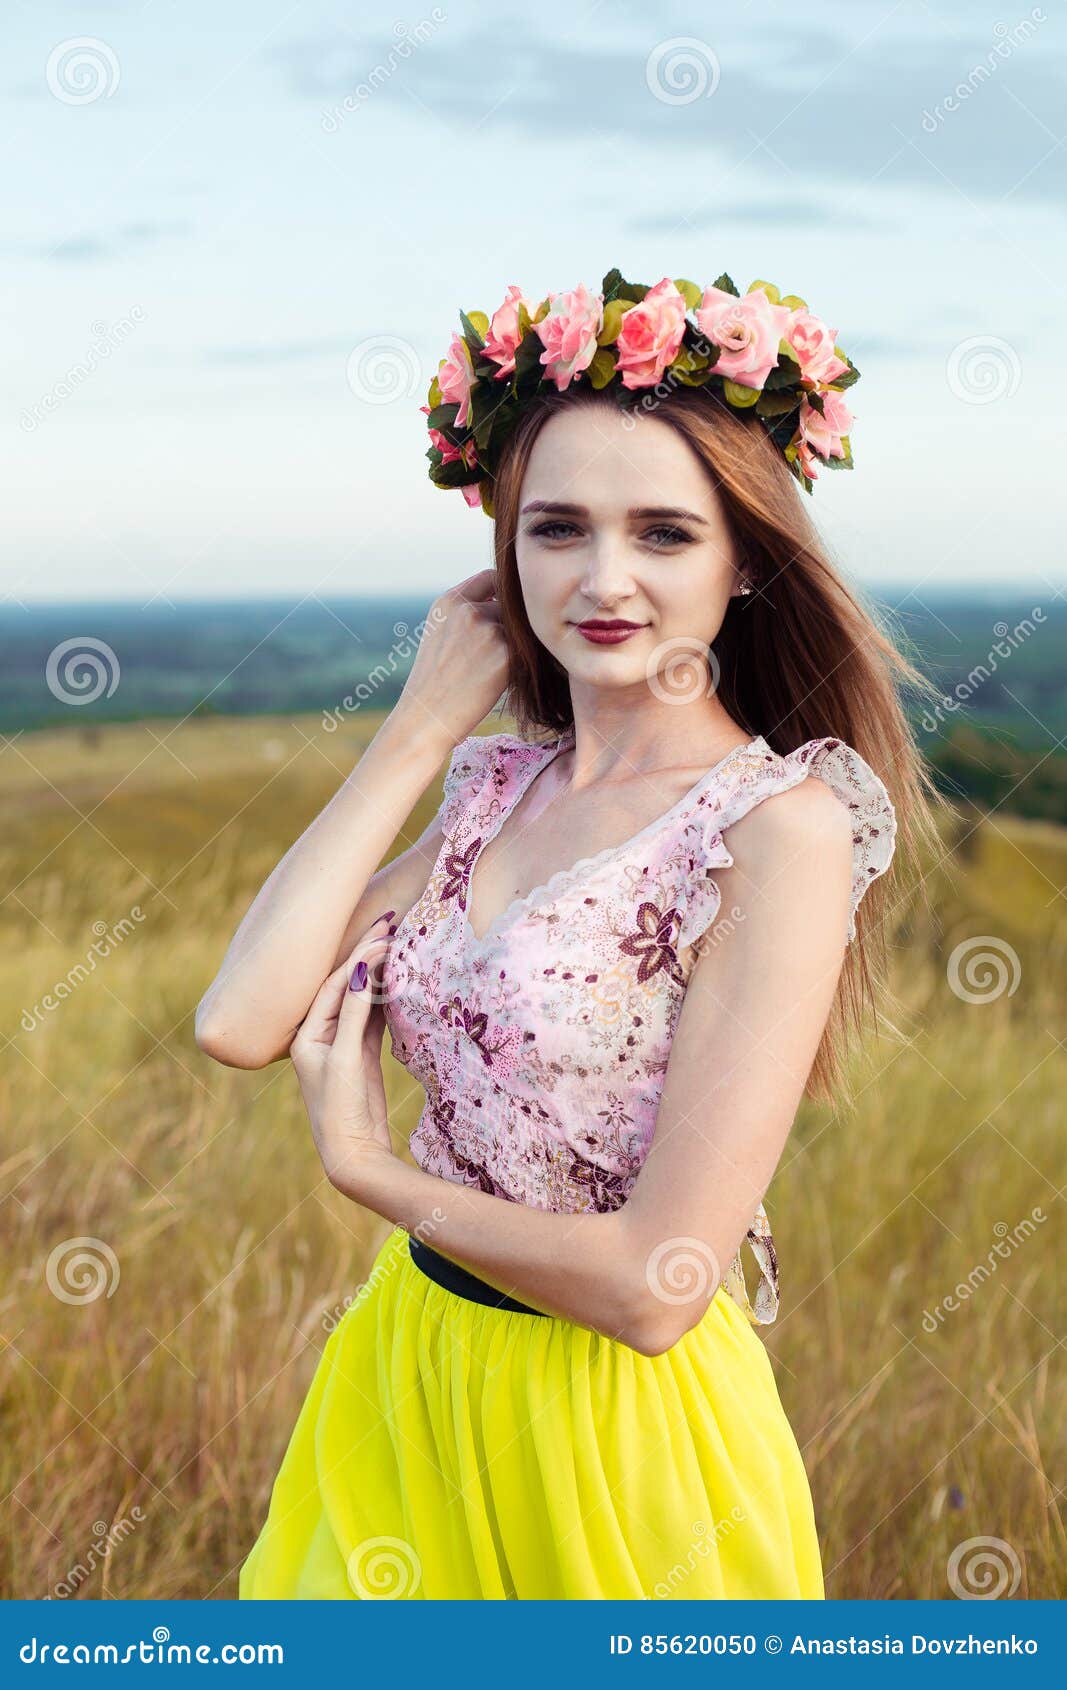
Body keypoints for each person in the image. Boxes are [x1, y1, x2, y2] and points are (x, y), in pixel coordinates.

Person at [198, 269, 942, 1599]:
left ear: (743, 560)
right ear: (505, 557)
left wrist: (371, 1170)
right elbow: (241, 1017)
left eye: (664, 532)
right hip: (408, 1377)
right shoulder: (495, 787)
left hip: (615, 1437)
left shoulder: (779, 830)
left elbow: (659, 1288)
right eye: (556, 530)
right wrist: (416, 729)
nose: (604, 578)